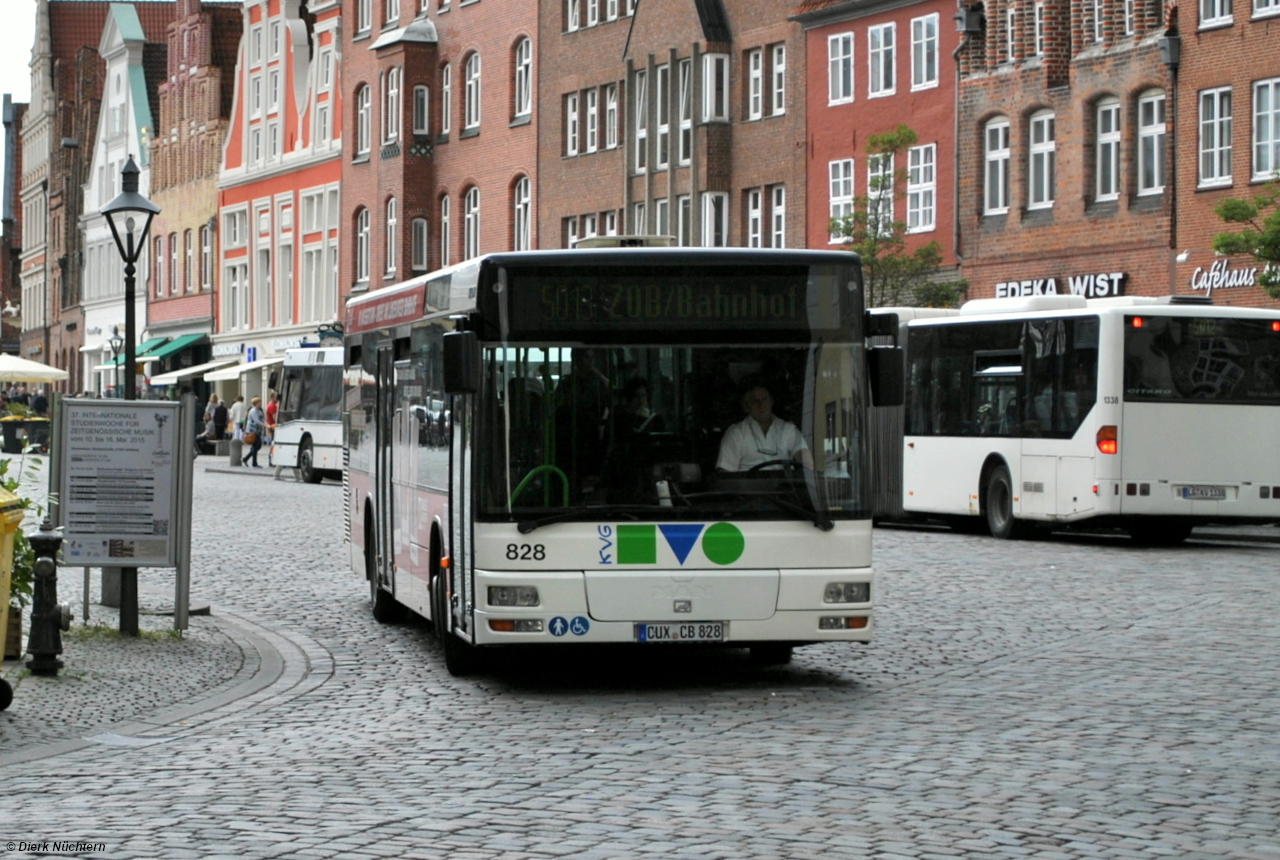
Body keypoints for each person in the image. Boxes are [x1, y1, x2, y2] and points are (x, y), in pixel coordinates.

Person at [716, 382, 812, 472]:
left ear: (771, 401)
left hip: (784, 488)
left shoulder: (787, 429)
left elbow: (806, 461)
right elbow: (725, 474)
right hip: (748, 489)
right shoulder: (735, 433)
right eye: (755, 401)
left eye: (764, 399)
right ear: (746, 407)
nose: (761, 405)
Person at [241, 396, 267, 468]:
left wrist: (266, 424)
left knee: (256, 446)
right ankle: (253, 462)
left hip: (257, 431)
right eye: (259, 402)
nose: (260, 403)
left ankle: (246, 459)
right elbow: (256, 420)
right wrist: (265, 425)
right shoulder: (253, 411)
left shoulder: (259, 410)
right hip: (252, 431)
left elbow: (262, 418)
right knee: (257, 446)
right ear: (256, 403)